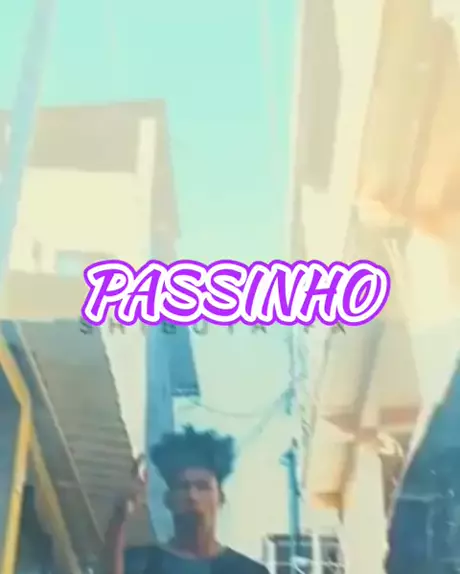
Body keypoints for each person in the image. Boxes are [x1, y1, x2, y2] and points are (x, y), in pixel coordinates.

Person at [103, 426, 269, 573]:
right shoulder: (140, 564)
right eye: (182, 487)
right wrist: (119, 518)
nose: (192, 495)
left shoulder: (248, 570)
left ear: (220, 498)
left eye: (202, 486)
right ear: (168, 499)